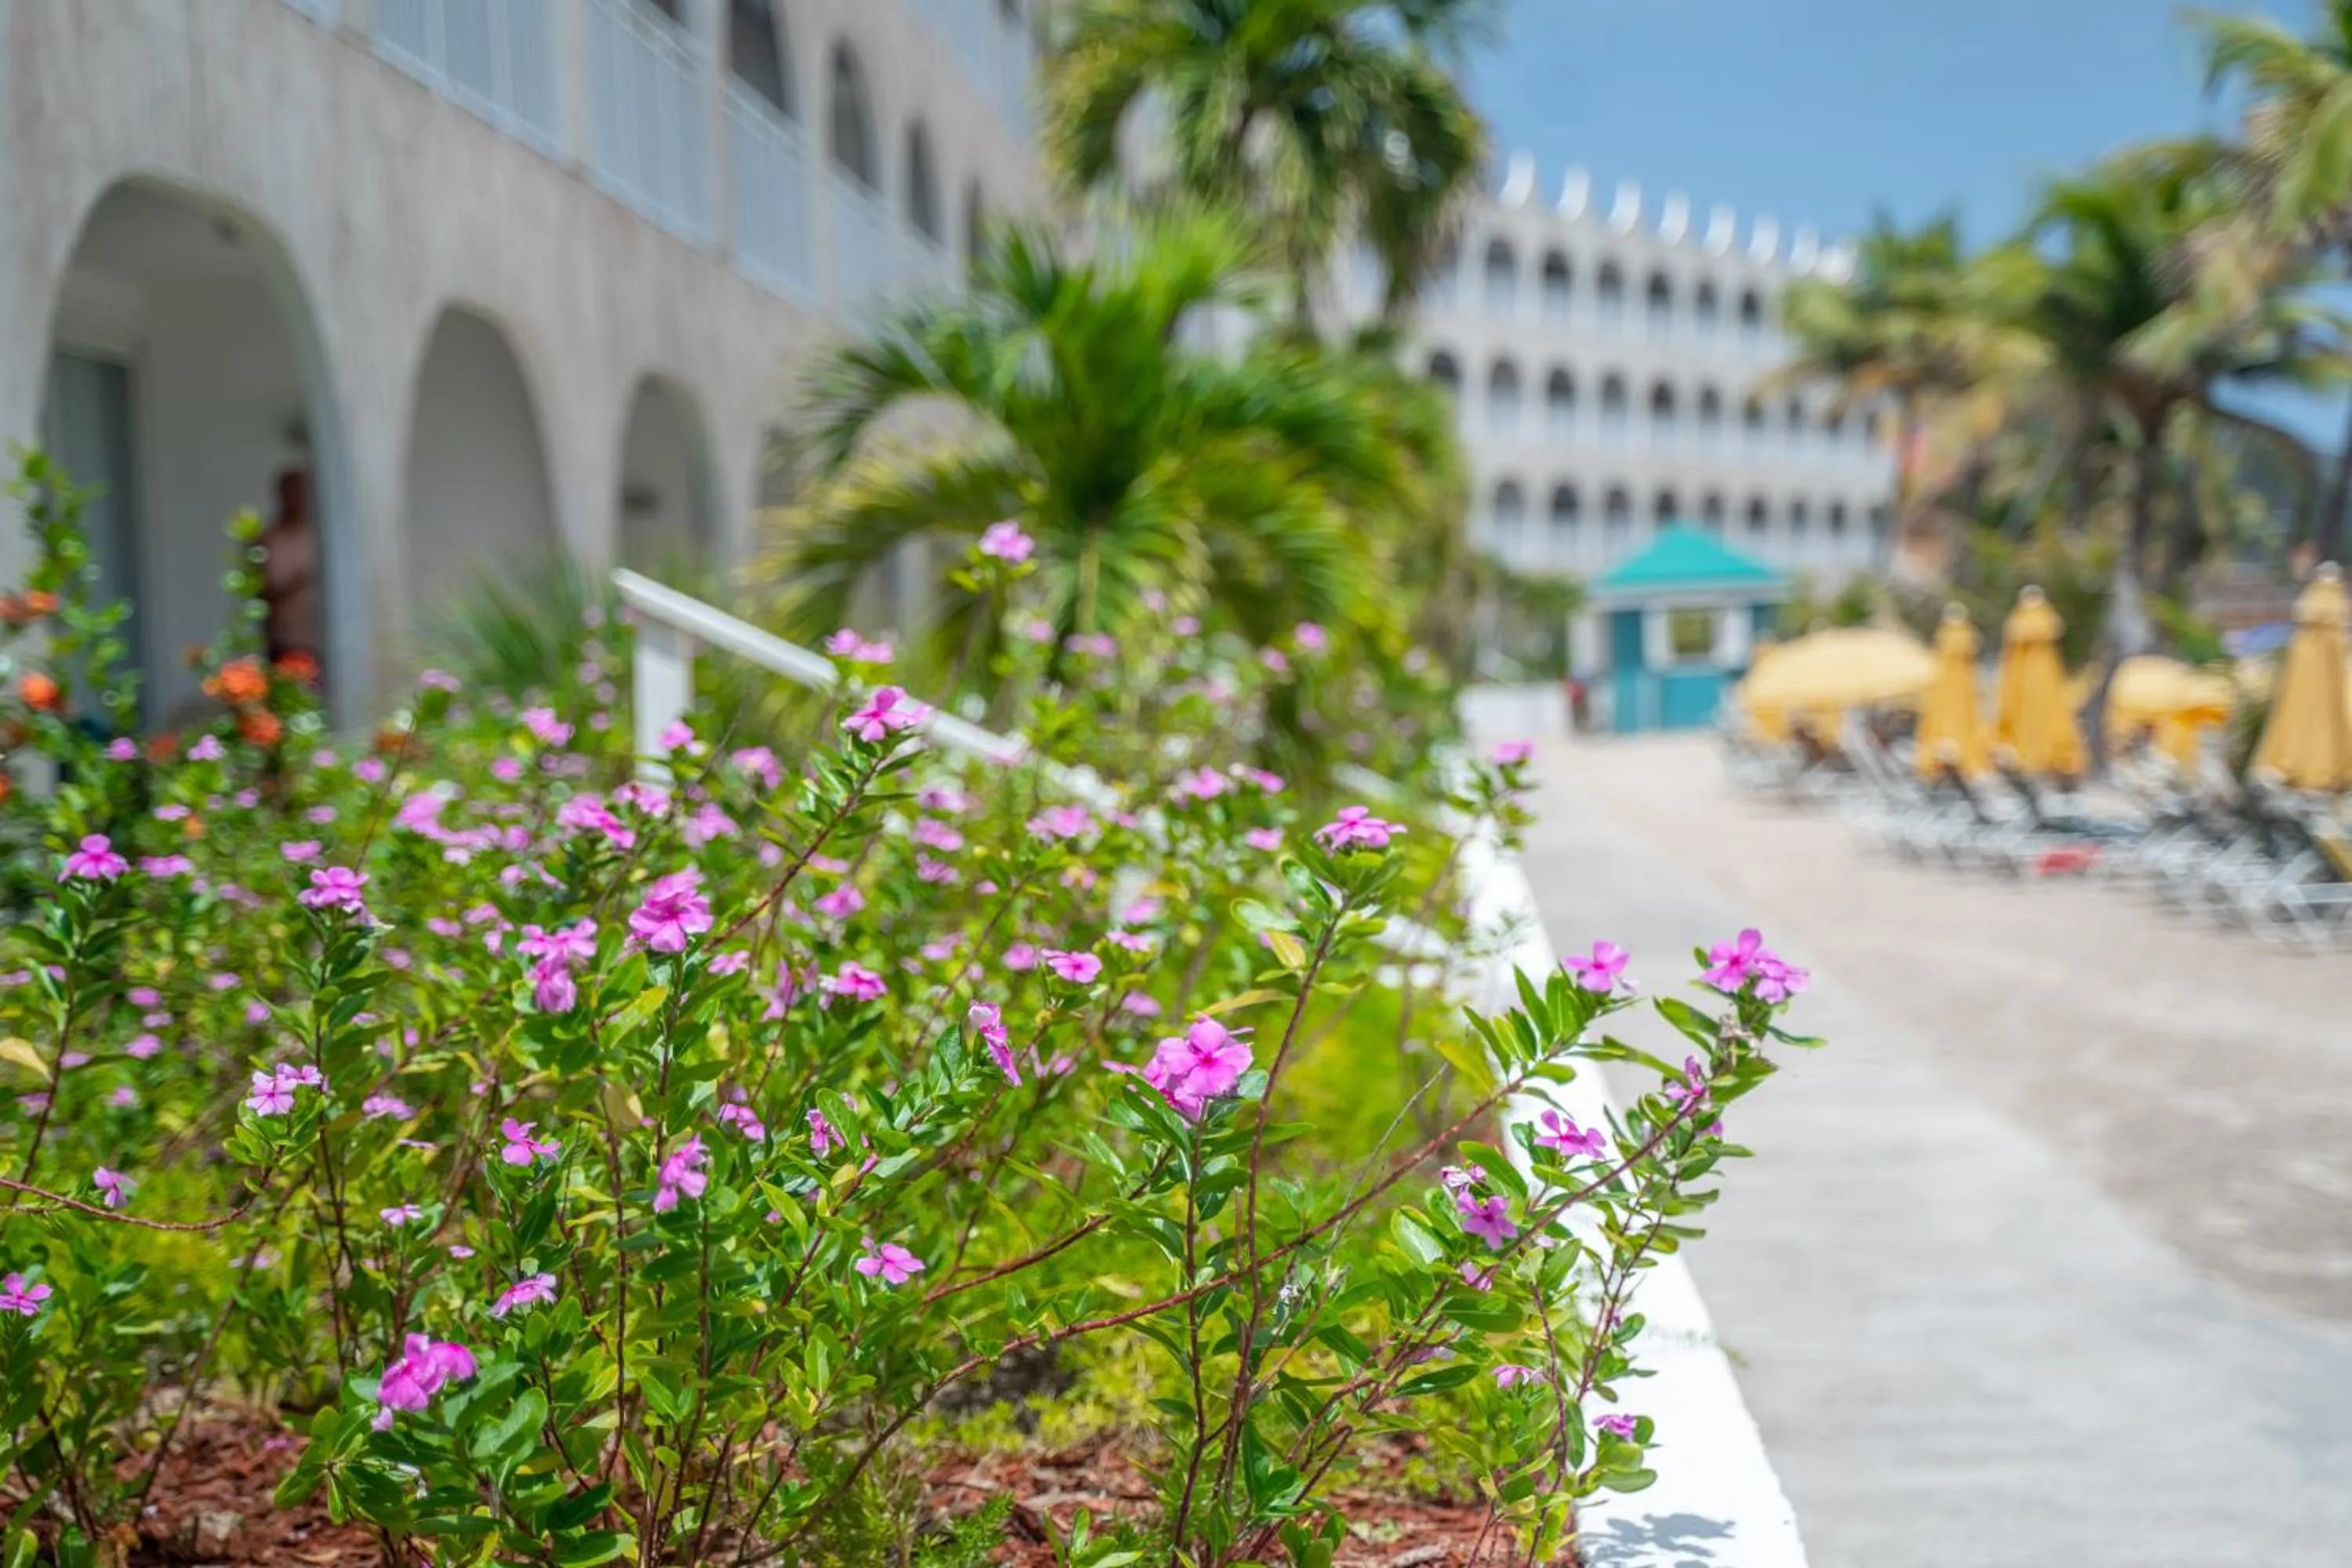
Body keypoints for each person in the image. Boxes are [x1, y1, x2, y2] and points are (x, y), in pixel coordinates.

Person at [260, 466, 322, 672]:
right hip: (286, 641)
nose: (298, 499)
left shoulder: (320, 537)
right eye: (293, 492)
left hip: (322, 638)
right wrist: (300, 581)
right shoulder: (268, 540)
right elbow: (261, 597)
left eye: (303, 492)